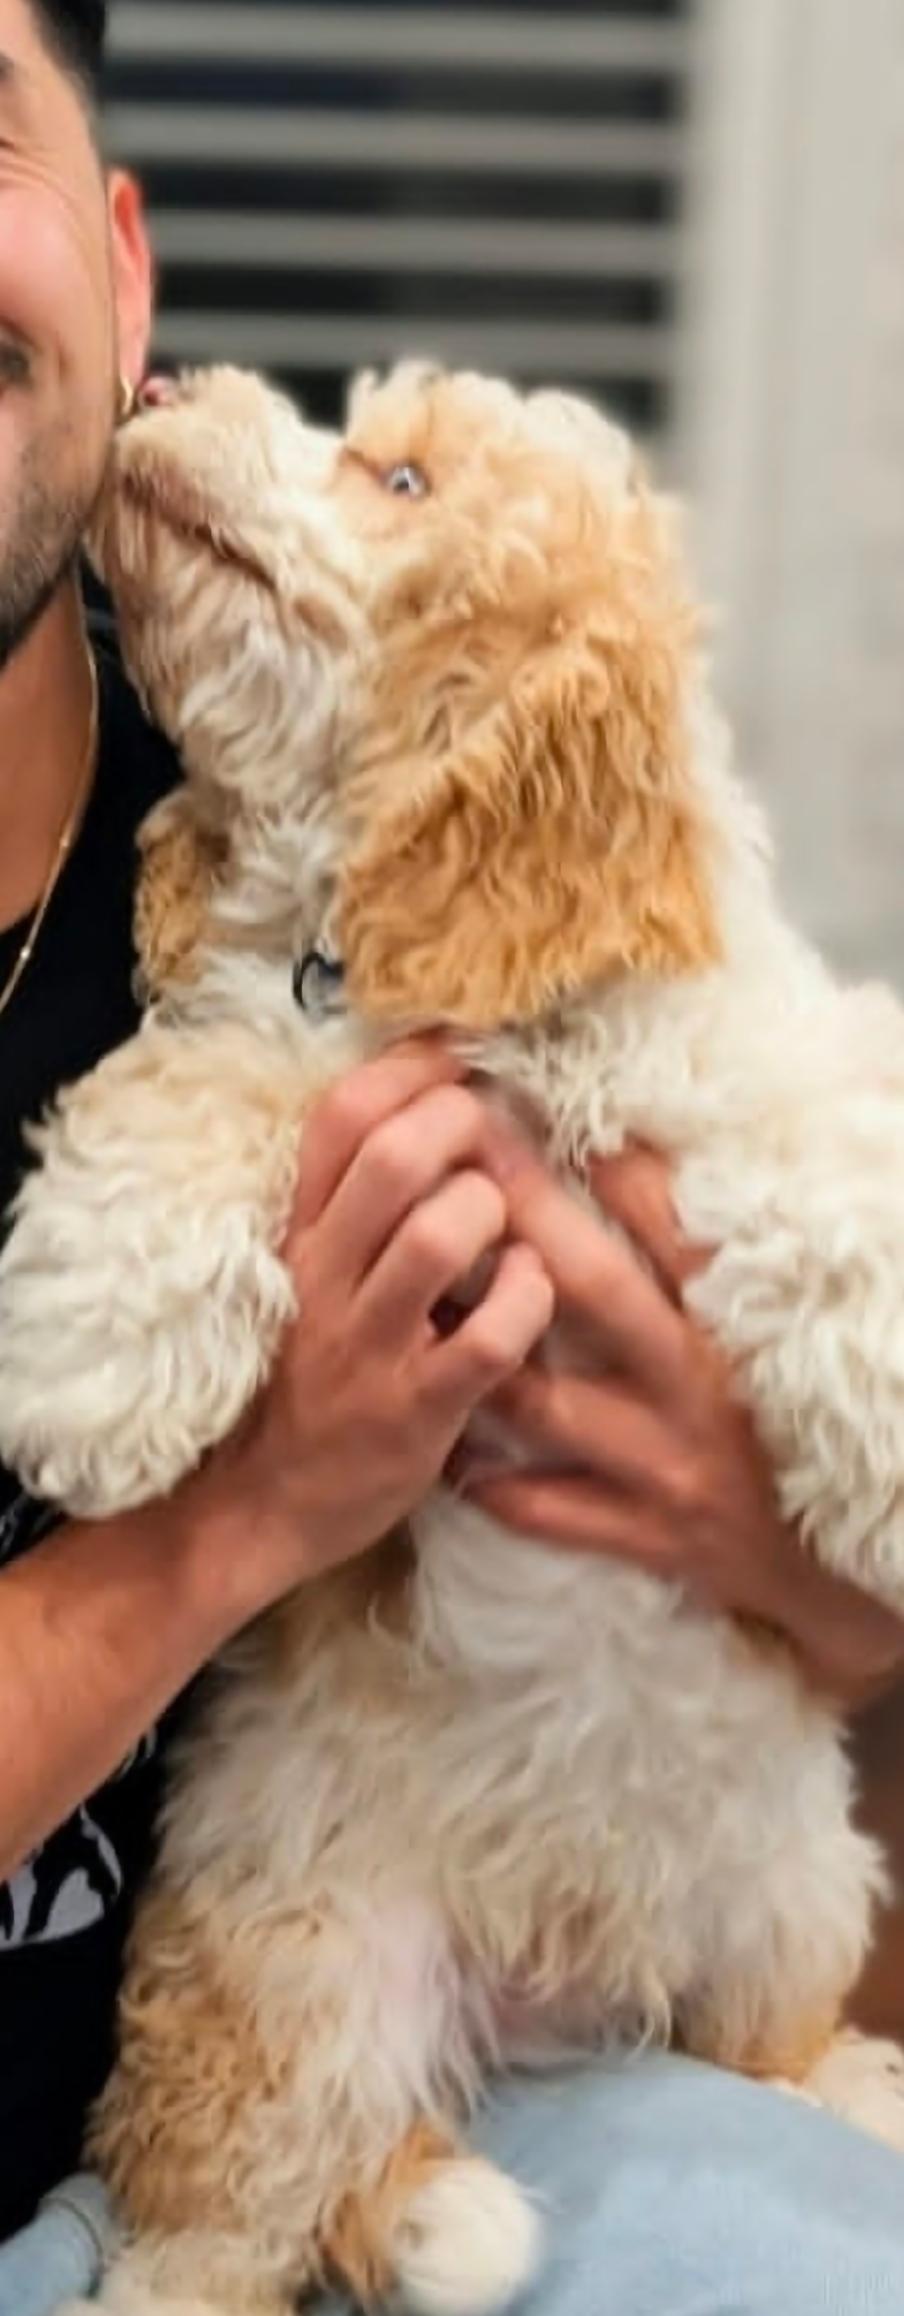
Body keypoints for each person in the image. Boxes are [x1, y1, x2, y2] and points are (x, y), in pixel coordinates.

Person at [0, 4, 903, 2310]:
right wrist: (254, 1509)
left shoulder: (266, 789)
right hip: (201, 2105)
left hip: (577, 2014)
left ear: (118, 261)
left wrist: (755, 1533)